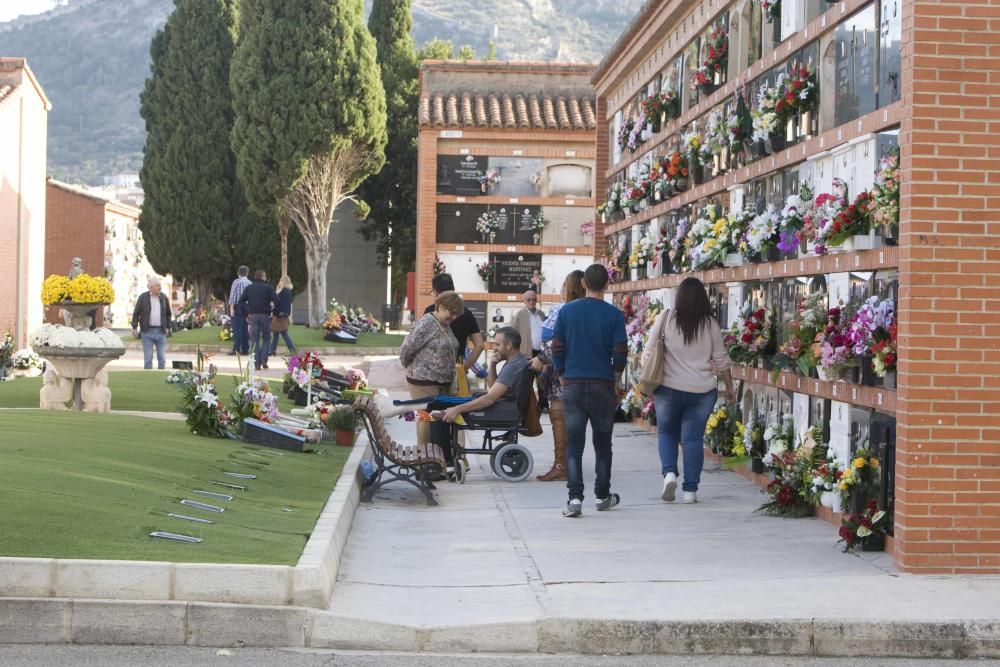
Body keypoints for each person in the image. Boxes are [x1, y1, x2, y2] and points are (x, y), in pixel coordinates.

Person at [641, 277, 736, 504]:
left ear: (679, 297)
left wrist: (650, 371)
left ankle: (670, 473)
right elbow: (722, 360)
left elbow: (648, 353)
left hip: (668, 388)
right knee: (693, 439)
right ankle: (690, 491)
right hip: (701, 390)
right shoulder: (710, 323)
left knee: (666, 433)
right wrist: (730, 387)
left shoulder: (665, 318)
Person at [552, 263, 627, 517]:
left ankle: (574, 499)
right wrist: (615, 373)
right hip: (602, 385)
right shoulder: (614, 315)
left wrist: (562, 373)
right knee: (603, 443)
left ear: (583, 284)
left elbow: (557, 347)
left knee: (574, 444)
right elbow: (620, 355)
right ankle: (602, 495)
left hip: (572, 384)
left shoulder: (566, 312)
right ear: (607, 285)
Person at [531, 270, 585, 481]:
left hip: (562, 373)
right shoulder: (593, 310)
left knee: (559, 419)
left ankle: (561, 465)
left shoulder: (563, 311)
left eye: (564, 287)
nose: (561, 291)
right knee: (577, 423)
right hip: (587, 374)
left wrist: (542, 359)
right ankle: (572, 464)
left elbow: (551, 341)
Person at [401, 291, 463, 449]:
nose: (454, 317)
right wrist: (416, 368)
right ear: (440, 307)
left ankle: (437, 460)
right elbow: (406, 350)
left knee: (438, 423)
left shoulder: (444, 324)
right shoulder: (427, 323)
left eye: (457, 314)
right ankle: (424, 463)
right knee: (426, 421)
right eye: (452, 313)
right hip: (423, 381)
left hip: (441, 382)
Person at [441, 326, 530, 424]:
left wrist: (457, 409)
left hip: (505, 410)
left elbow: (490, 399)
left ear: (508, 345)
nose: (495, 349)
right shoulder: (517, 361)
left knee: (448, 406)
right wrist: (493, 365)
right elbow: (493, 387)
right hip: (509, 408)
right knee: (451, 402)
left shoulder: (513, 366)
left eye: (497, 345)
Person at [422, 273, 485, 379]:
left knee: (435, 396)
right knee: (456, 396)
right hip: (457, 365)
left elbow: (422, 341)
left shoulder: (430, 311)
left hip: (432, 369)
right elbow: (479, 345)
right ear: (453, 289)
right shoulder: (466, 313)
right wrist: (464, 368)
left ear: (436, 292)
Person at [512, 289, 548, 410]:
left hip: (541, 353)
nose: (531, 302)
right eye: (529, 300)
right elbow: (513, 334)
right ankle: (524, 406)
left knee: (542, 379)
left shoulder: (541, 314)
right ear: (524, 301)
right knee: (526, 381)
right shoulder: (519, 315)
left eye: (534, 299)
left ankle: (543, 405)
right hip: (526, 353)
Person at [131, 277, 172, 370]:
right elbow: (136, 313)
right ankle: (148, 376)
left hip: (161, 332)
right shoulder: (143, 298)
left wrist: (168, 327)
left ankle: (161, 378)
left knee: (162, 358)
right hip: (147, 332)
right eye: (157, 286)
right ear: (151, 287)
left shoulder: (164, 297)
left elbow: (168, 314)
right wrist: (134, 327)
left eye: (160, 286)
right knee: (148, 358)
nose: (159, 288)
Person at [239, 269, 276, 371]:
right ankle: (264, 359)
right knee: (267, 338)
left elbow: (241, 301)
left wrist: (245, 314)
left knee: (254, 340)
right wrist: (274, 312)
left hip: (253, 316)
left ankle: (256, 363)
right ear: (263, 277)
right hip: (266, 316)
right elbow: (276, 300)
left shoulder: (249, 288)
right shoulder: (269, 288)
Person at [227, 265, 251, 356]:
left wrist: (231, 308)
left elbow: (233, 296)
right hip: (247, 307)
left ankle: (236, 349)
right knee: (245, 328)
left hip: (238, 306)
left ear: (238, 273)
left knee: (237, 329)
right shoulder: (250, 282)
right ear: (247, 273)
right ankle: (245, 349)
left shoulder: (236, 282)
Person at [269, 275, 297, 355]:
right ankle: (272, 350)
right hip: (283, 314)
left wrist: (277, 291)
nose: (279, 282)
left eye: (281, 280)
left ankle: (292, 349)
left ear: (284, 282)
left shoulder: (284, 291)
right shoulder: (288, 291)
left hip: (279, 314)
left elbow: (278, 302)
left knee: (283, 333)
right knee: (276, 333)